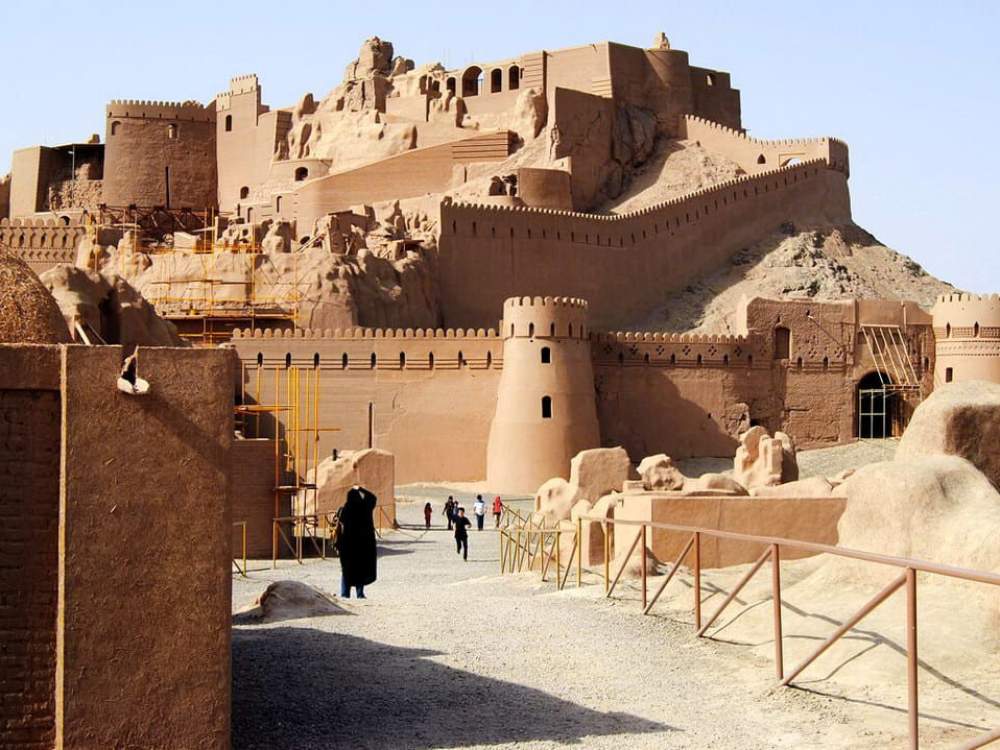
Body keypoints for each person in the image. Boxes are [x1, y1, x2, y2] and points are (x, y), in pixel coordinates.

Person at [335, 486, 378, 599]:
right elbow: (373, 498)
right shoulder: (365, 507)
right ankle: (360, 593)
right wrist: (361, 489)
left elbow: (340, 523)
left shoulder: (346, 509)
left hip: (348, 545)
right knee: (360, 569)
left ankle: (345, 593)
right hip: (362, 544)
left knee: (347, 569)